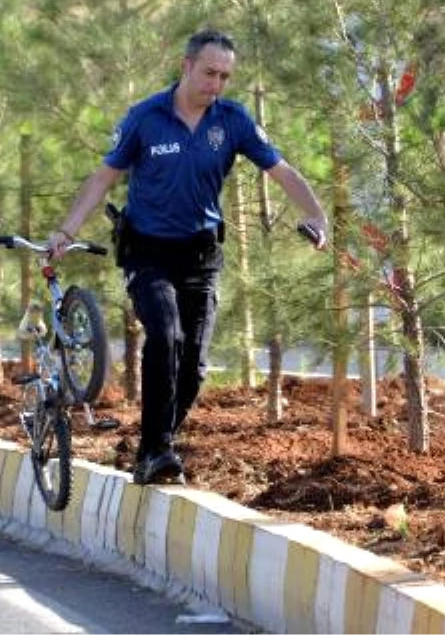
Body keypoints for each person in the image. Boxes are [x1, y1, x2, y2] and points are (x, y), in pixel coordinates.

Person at [49, 29, 328, 485]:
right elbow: (103, 178)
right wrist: (66, 230)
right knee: (166, 334)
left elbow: (281, 171)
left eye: (224, 76)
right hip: (148, 251)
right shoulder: (145, 118)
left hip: (200, 256)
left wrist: (316, 214)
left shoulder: (232, 121)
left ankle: (153, 445)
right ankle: (158, 450)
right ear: (186, 66)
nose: (215, 84)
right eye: (209, 72)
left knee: (194, 367)